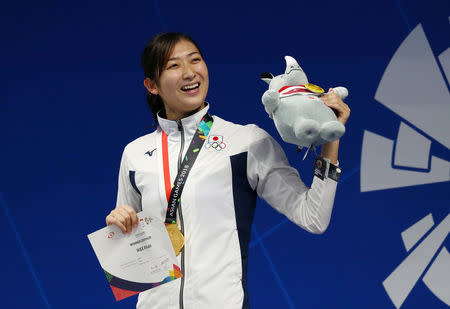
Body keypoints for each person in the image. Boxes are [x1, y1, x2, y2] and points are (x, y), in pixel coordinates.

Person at [105, 32, 350, 309]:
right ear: (152, 85)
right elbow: (133, 274)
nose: (189, 73)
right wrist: (121, 225)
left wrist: (331, 142)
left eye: (195, 60)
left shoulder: (245, 142)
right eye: (174, 66)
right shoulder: (135, 153)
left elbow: (314, 217)